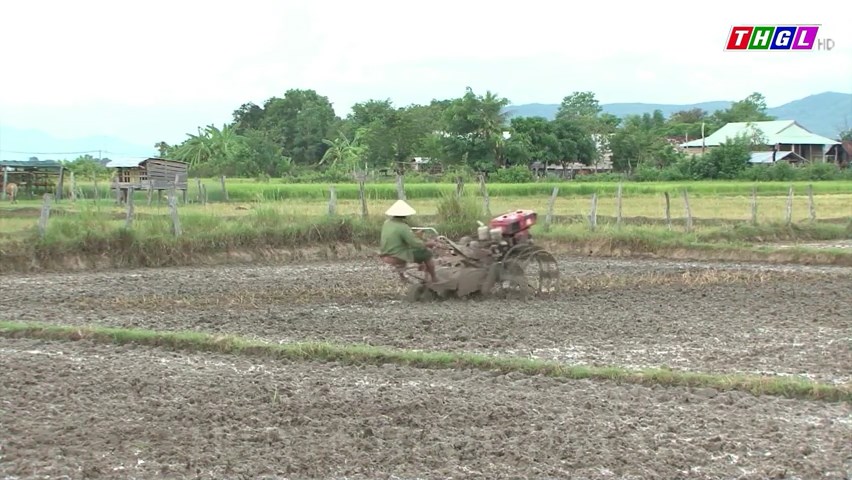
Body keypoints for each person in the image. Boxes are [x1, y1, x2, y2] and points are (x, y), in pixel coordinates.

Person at [379, 199, 438, 283]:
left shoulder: (387, 223)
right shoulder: (403, 227)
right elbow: (414, 243)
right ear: (405, 215)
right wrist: (429, 243)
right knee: (426, 253)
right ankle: (434, 278)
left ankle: (403, 277)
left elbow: (400, 238)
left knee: (412, 250)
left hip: (385, 252)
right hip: (397, 254)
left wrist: (414, 235)